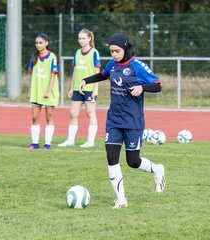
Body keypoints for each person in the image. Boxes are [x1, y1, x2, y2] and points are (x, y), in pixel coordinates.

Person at [78, 32, 165, 209]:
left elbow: (158, 85)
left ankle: (157, 169)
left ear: (125, 48)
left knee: (133, 161)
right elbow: (104, 75)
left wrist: (142, 87)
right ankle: (121, 198)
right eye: (111, 52)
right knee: (111, 158)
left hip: (133, 121)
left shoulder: (137, 66)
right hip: (114, 120)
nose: (114, 55)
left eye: (117, 51)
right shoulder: (112, 65)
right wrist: (86, 80)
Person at [58, 29, 101, 148]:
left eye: (83, 38)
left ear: (89, 39)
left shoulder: (94, 53)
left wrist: (95, 89)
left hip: (89, 88)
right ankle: (70, 140)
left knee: (90, 112)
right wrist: (72, 88)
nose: (81, 41)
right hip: (77, 88)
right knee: (72, 113)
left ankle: (90, 141)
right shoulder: (77, 52)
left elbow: (98, 71)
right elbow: (75, 71)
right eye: (79, 38)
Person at [27, 33, 59, 150]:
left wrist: (49, 91)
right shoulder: (34, 56)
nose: (38, 45)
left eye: (40, 43)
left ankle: (47, 144)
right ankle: (35, 143)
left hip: (48, 92)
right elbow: (31, 75)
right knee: (35, 117)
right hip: (37, 91)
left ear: (46, 43)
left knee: (49, 117)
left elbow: (53, 76)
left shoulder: (52, 57)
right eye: (36, 43)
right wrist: (30, 90)